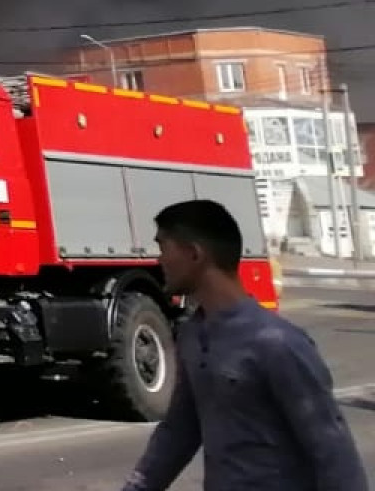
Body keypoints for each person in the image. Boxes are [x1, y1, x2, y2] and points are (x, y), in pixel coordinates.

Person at [121, 198, 367, 491]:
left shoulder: (276, 343)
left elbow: (333, 453)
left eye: (163, 248)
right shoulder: (192, 336)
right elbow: (179, 432)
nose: (158, 261)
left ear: (194, 254)